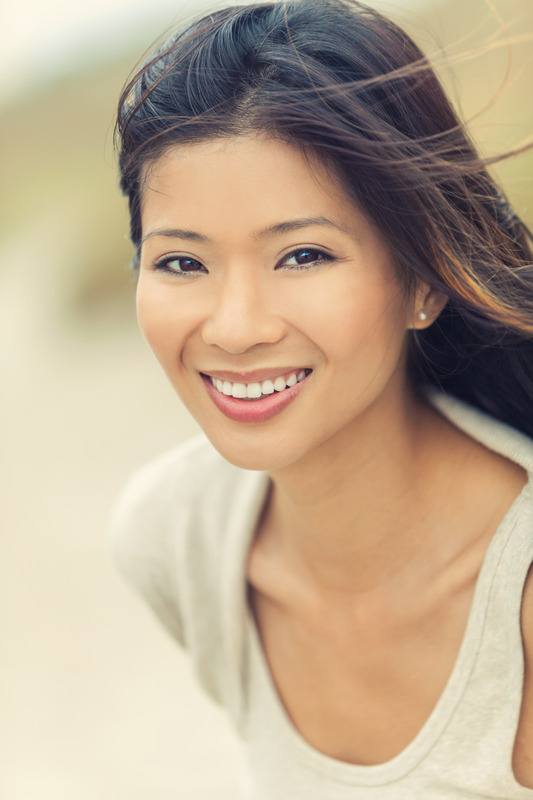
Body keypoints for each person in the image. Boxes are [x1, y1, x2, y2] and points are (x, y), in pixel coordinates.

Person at [107, 0, 533, 796]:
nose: (233, 329)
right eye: (181, 263)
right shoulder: (174, 537)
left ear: (424, 280)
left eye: (302, 254)